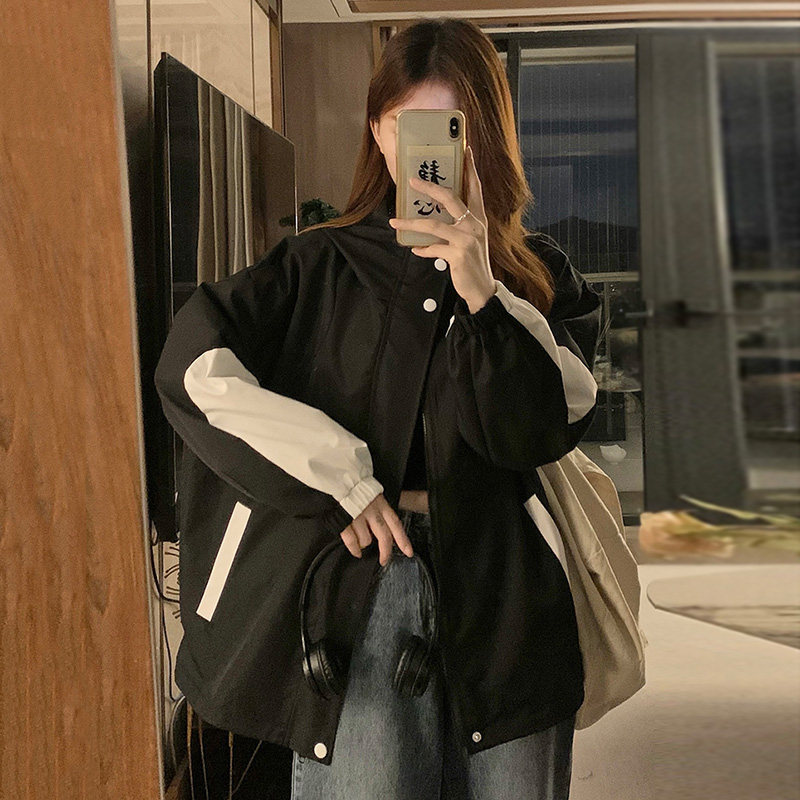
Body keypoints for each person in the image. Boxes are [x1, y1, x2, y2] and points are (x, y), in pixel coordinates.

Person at [154, 16, 601, 800]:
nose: (428, 150)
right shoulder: (313, 269)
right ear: (378, 132)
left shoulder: (536, 279)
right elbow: (193, 370)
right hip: (360, 600)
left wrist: (483, 291)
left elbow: (542, 426)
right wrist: (341, 476)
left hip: (505, 606)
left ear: (485, 138)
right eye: (407, 124)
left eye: (451, 126)